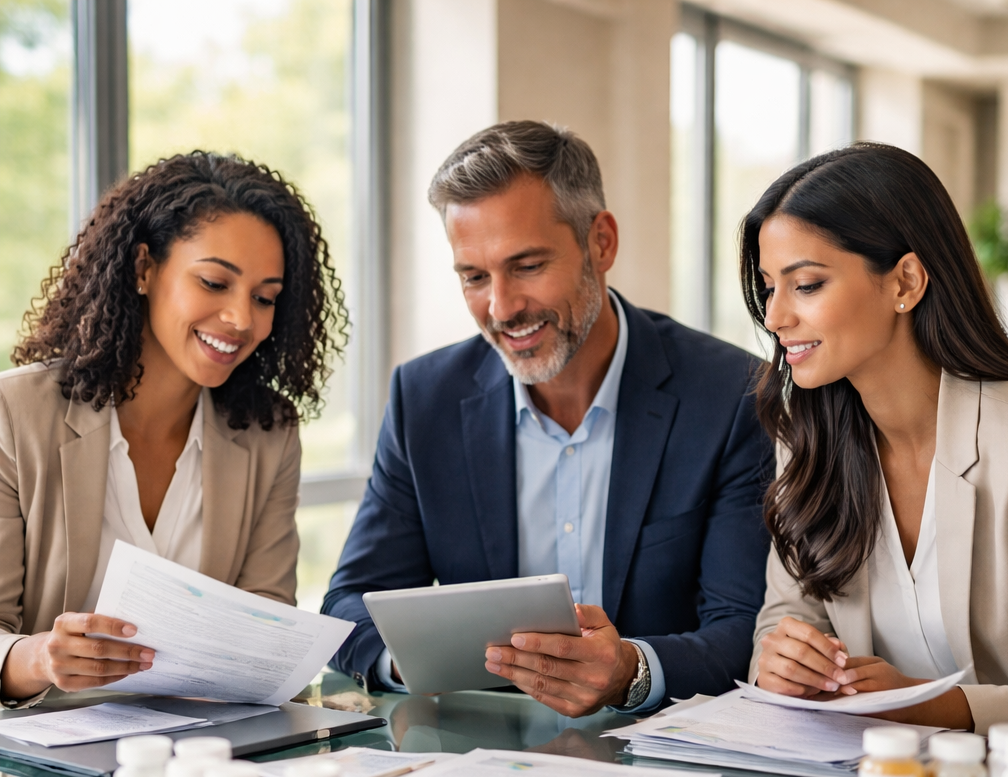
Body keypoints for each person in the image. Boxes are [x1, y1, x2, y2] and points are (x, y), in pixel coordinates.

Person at [323, 120, 772, 717]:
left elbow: (747, 627)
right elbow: (347, 605)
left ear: (601, 243)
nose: (502, 307)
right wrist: (412, 660)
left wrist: (632, 671)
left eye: (528, 265)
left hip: (670, 757)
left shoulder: (728, 394)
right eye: (475, 277)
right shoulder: (424, 399)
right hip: (479, 756)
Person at [0, 152, 345, 705]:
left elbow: (267, 619)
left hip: (200, 753)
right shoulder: (15, 413)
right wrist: (40, 657)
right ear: (143, 269)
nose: (241, 319)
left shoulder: (267, 430)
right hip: (40, 762)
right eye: (214, 282)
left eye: (265, 298)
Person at [744, 142, 1008, 733]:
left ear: (905, 281)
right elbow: (788, 617)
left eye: (808, 285)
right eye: (770, 287)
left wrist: (929, 705)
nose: (774, 318)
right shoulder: (807, 438)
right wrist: (785, 661)